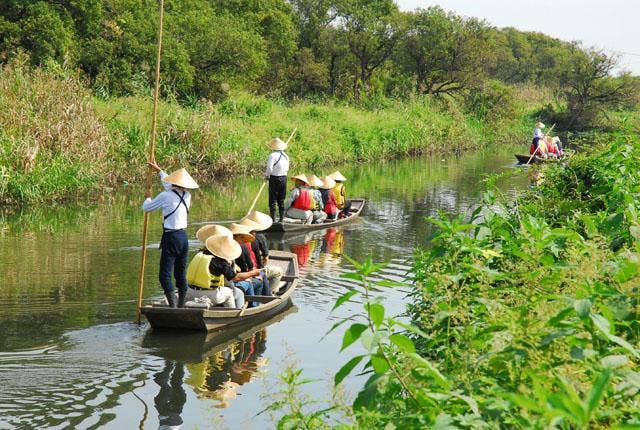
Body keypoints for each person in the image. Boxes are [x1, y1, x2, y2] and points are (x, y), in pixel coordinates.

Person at [142, 162, 198, 308]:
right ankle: (180, 304)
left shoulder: (165, 196)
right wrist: (159, 170)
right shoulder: (187, 195)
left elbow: (147, 208)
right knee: (180, 273)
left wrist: (147, 197)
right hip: (183, 238)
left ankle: (172, 305)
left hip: (171, 238)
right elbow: (170, 186)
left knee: (164, 275)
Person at [185, 225, 244, 308]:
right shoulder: (220, 260)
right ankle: (232, 315)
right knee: (229, 293)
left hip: (189, 291)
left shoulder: (199, 254)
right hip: (208, 293)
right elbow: (235, 277)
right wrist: (252, 273)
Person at [239, 211, 285, 293]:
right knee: (278, 271)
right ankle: (271, 292)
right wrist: (261, 270)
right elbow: (265, 259)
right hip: (252, 271)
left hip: (245, 270)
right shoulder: (259, 238)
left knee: (261, 274)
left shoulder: (237, 239)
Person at [230, 223, 269, 305]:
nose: (244, 240)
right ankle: (256, 305)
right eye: (242, 238)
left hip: (231, 280)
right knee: (259, 280)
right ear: (237, 237)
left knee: (258, 277)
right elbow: (248, 268)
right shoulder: (244, 247)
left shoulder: (222, 248)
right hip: (233, 282)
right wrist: (250, 275)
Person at [264, 137, 290, 223]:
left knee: (272, 200)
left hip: (274, 178)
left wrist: (267, 176)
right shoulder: (286, 156)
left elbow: (269, 168)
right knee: (281, 199)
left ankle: (273, 220)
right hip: (284, 179)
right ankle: (281, 219)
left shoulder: (272, 155)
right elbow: (287, 168)